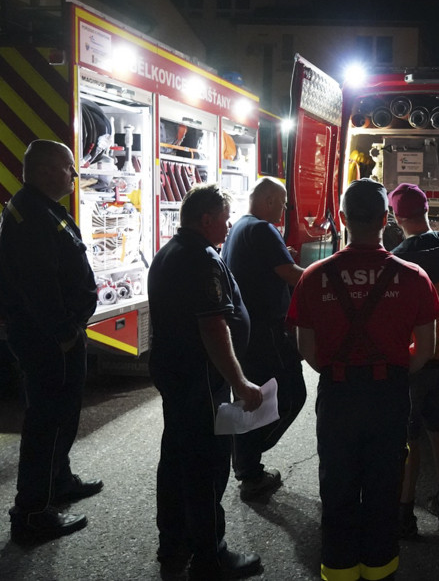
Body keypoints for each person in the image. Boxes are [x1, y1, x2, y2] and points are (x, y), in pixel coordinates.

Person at [287, 178, 439, 581]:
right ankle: (379, 569)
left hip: (338, 394)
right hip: (388, 394)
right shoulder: (413, 277)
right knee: (384, 485)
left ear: (342, 218)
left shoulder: (313, 277)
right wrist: (393, 371)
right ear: (385, 219)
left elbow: (307, 349)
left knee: (337, 484)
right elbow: (425, 349)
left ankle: (339, 569)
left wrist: (339, 370)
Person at [147, 183, 264, 580]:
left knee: (176, 461)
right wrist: (240, 383)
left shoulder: (170, 251)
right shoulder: (200, 259)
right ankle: (210, 556)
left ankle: (174, 543)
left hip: (177, 375)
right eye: (225, 219)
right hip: (200, 380)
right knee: (206, 468)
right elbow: (213, 328)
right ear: (207, 219)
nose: (229, 226)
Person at [0, 139, 101, 544]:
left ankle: (59, 482)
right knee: (47, 421)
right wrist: (65, 334)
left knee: (62, 415)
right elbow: (38, 286)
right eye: (68, 168)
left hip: (53, 335)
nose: (74, 175)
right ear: (44, 171)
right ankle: (32, 512)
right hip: (48, 339)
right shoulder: (30, 216)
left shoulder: (41, 208)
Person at [388, 183, 439, 537]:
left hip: (412, 362)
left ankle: (404, 515)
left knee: (408, 439)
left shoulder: (396, 261)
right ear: (426, 211)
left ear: (396, 218)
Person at [221, 177, 306, 501]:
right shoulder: (262, 229)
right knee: (290, 395)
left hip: (248, 331)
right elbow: (290, 274)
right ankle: (247, 460)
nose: (283, 210)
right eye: (282, 204)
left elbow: (270, 266)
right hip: (267, 332)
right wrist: (325, 277)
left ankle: (245, 464)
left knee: (253, 398)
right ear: (269, 200)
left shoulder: (240, 228)